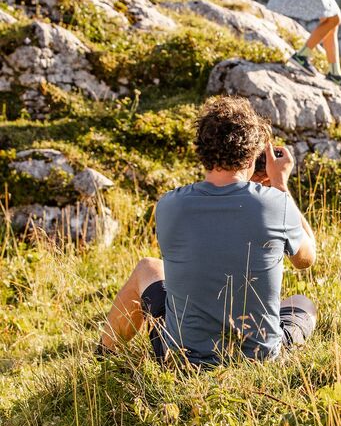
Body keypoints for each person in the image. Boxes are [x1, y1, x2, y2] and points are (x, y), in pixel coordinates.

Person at [98, 96, 317, 366]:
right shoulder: (276, 204)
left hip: (179, 358)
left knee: (148, 267)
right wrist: (281, 186)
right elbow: (306, 259)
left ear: (202, 152)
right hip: (257, 359)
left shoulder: (168, 205)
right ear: (251, 156)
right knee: (302, 304)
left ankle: (104, 357)